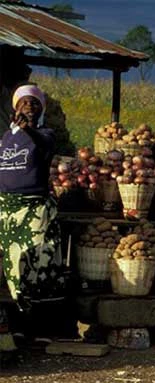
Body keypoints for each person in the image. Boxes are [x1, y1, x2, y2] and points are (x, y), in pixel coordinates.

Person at [0, 84, 65, 358]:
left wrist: (29, 130)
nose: (29, 107)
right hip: (6, 212)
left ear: (41, 110)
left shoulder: (45, 135)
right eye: (24, 103)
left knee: (34, 264)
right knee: (9, 270)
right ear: (15, 107)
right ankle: (15, 329)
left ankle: (37, 328)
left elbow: (42, 143)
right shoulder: (5, 138)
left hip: (34, 210)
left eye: (35, 104)